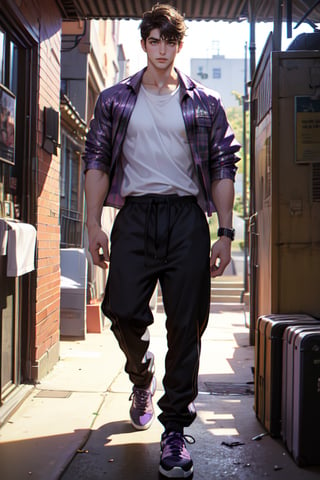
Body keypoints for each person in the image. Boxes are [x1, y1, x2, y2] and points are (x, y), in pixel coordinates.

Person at [83, 3, 240, 478]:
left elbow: (221, 167)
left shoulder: (204, 103)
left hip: (186, 218)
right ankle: (142, 373)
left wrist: (226, 232)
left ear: (178, 45)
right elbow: (97, 159)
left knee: (186, 324)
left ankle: (174, 429)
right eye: (154, 40)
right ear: (143, 43)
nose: (162, 49)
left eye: (170, 41)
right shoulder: (115, 99)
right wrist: (93, 225)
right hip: (134, 215)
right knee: (123, 311)